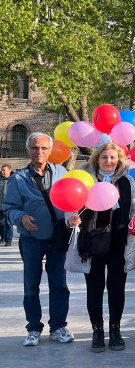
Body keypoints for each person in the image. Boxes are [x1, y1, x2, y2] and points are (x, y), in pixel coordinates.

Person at [67, 142, 135, 352]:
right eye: (104, 157)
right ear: (96, 160)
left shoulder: (127, 181)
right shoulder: (85, 179)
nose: (109, 161)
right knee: (95, 288)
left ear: (119, 159)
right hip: (92, 242)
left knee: (117, 289)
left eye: (113, 157)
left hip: (119, 242)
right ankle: (97, 331)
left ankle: (115, 331)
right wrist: (70, 219)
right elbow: (71, 205)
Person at [3, 133, 73, 346]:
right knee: (31, 286)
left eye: (43, 148)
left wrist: (73, 217)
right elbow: (8, 209)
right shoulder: (18, 178)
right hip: (31, 239)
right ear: (28, 150)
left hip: (57, 237)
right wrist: (21, 217)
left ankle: (58, 326)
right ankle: (33, 328)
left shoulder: (62, 173)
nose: (39, 152)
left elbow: (72, 199)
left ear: (50, 150)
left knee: (59, 284)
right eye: (34, 148)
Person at [0, 163, 13, 245]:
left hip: (9, 205)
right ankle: (3, 237)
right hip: (0, 205)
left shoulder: (14, 180)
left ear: (9, 171)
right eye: (1, 170)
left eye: (4, 170)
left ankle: (8, 240)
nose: (2, 172)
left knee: (8, 223)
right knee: (1, 223)